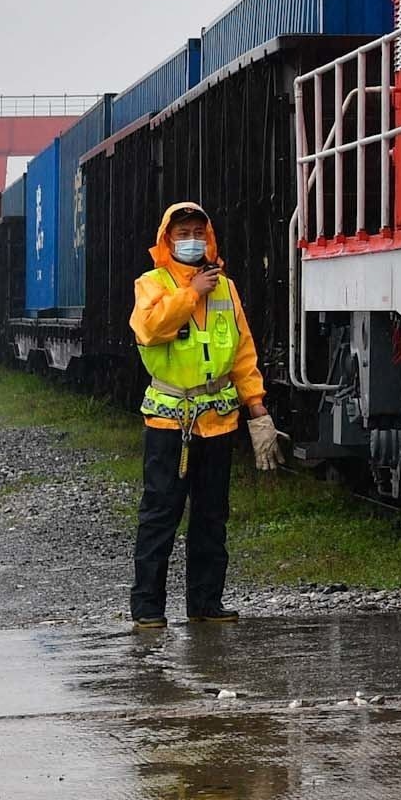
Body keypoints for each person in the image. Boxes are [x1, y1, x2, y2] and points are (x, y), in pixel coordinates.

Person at [128, 200, 281, 626]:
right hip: (169, 424)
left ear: (208, 238)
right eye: (183, 234)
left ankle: (206, 604)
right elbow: (149, 328)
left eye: (198, 232)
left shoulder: (226, 289)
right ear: (167, 240)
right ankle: (147, 610)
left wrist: (257, 411)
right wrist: (190, 294)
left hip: (217, 422)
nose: (191, 240)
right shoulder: (152, 284)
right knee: (160, 516)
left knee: (212, 517)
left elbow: (243, 353)